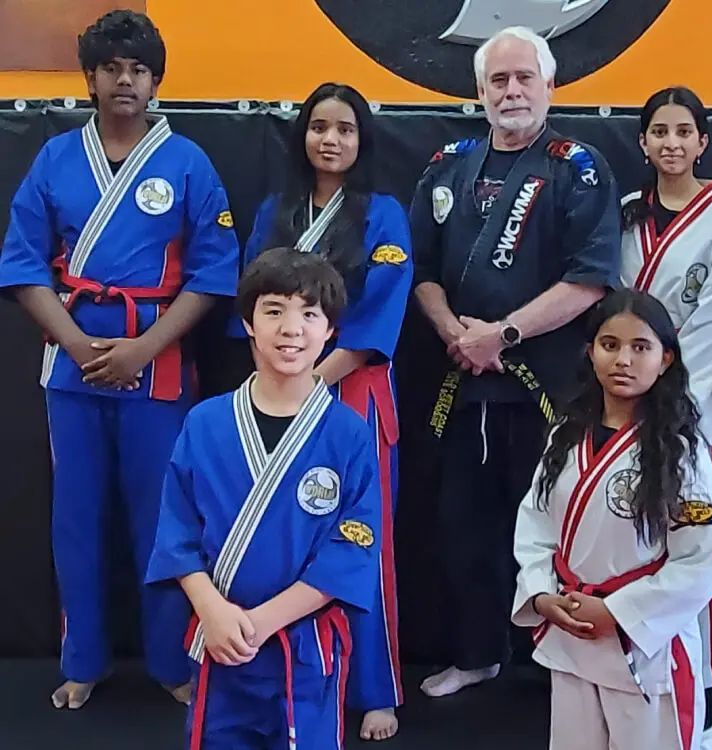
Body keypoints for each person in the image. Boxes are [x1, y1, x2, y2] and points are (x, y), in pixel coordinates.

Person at [0, 10, 240, 709]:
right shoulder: (54, 158)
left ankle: (171, 662)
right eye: (112, 68)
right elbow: (20, 264)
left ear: (155, 80)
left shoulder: (188, 161)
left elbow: (214, 274)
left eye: (138, 69)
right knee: (75, 518)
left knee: (161, 520)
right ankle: (83, 660)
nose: (125, 80)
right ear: (92, 78)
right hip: (70, 361)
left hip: (156, 361)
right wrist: (76, 345)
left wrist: (143, 348)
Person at [409, 25, 622, 698]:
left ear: (550, 85)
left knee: (560, 529)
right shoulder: (447, 164)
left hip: (548, 389)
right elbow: (422, 270)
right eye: (498, 80)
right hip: (462, 384)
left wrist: (499, 335)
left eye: (524, 77)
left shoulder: (576, 167)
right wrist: (453, 332)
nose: (512, 91)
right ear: (478, 91)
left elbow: (591, 279)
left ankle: (565, 662)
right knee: (462, 527)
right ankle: (476, 654)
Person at [511, 289, 712, 750]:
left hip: (645, 641)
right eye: (610, 345)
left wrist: (616, 612)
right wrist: (540, 593)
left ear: (666, 360)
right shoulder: (566, 434)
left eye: (641, 347)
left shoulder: (681, 451)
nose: (623, 360)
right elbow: (536, 522)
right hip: (574, 629)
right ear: (590, 352)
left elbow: (698, 561)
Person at [228, 81, 411, 741]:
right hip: (277, 393)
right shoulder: (275, 211)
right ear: (302, 135)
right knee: (285, 541)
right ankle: (288, 671)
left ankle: (376, 688)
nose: (331, 139)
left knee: (363, 545)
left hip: (352, 395)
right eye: (319, 126)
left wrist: (312, 377)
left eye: (345, 128)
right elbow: (252, 301)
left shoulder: (383, 213)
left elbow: (379, 312)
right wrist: (289, 377)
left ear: (362, 140)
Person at [146, 248, 383, 750]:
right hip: (220, 639)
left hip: (303, 647)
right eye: (274, 311)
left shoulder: (348, 433)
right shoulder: (206, 423)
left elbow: (353, 547)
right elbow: (177, 531)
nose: (291, 329)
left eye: (309, 314)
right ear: (248, 323)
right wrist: (211, 609)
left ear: (330, 331)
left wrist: (261, 622)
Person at [620, 86, 712, 689]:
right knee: (633, 538)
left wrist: (657, 388)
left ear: (702, 141)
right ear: (643, 142)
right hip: (621, 404)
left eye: (683, 131)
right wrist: (626, 386)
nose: (672, 143)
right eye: (659, 132)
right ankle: (637, 665)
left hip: (692, 407)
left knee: (693, 545)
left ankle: (697, 674)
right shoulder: (624, 212)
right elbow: (608, 312)